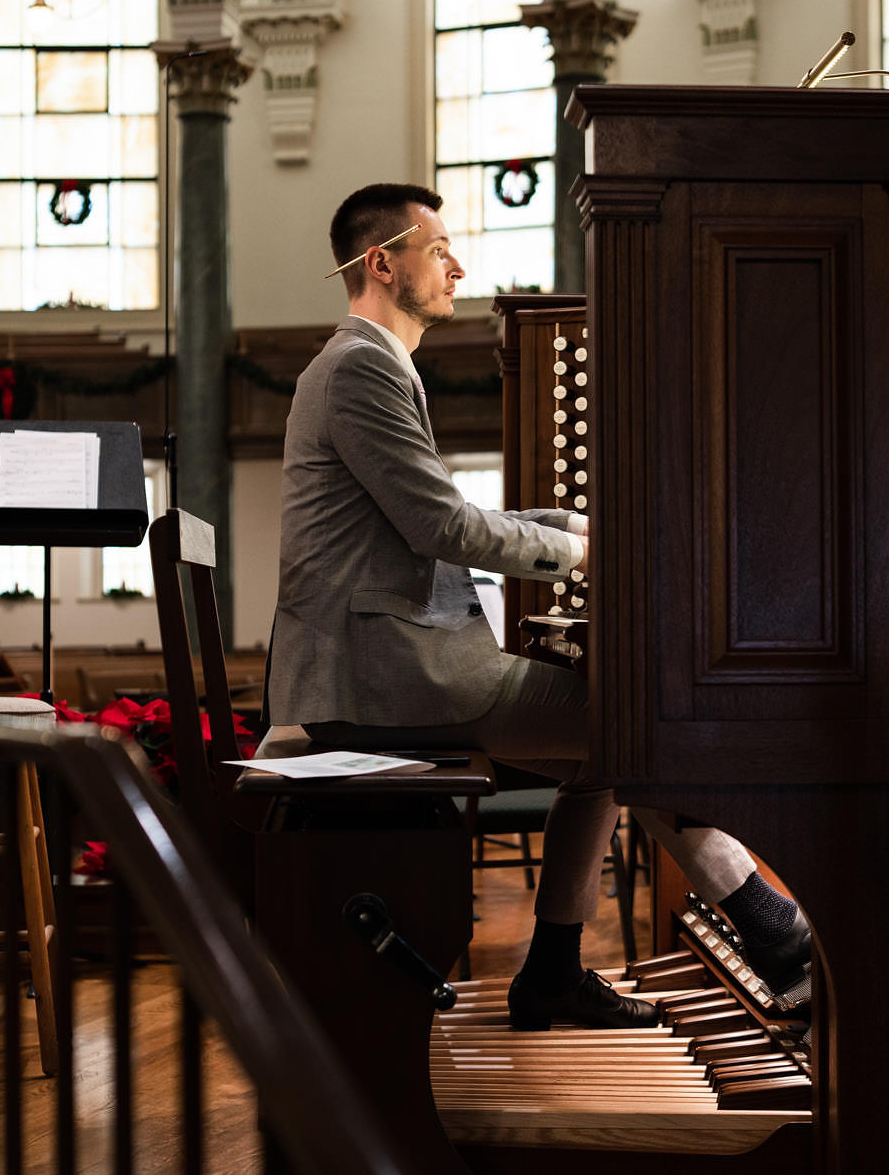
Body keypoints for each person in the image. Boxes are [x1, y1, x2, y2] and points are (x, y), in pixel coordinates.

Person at [266, 182, 811, 1029]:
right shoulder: (360, 366)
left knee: (606, 747)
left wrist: (570, 524)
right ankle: (771, 928)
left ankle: (557, 969)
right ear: (381, 262)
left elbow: (439, 513)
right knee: (634, 721)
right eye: (438, 249)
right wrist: (585, 551)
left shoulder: (367, 364)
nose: (456, 265)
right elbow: (442, 525)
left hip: (381, 662)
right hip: (384, 675)